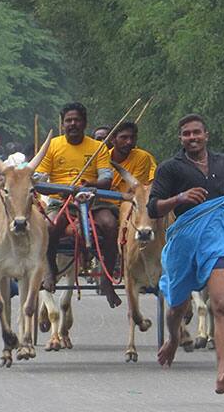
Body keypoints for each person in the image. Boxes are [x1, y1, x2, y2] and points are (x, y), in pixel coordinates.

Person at [147, 113, 224, 393]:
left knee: (220, 304)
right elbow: (153, 207)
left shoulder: (223, 163)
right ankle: (173, 337)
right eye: (186, 134)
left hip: (217, 239)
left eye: (196, 133)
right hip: (185, 239)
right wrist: (179, 198)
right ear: (181, 139)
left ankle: (221, 371)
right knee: (177, 306)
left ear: (206, 135)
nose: (192, 138)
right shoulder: (170, 168)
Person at [36, 103, 121, 307]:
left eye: (77, 120)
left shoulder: (97, 147)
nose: (73, 124)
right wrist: (65, 188)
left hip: (94, 201)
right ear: (62, 124)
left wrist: (89, 185)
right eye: (68, 120)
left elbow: (106, 179)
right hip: (62, 201)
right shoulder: (52, 146)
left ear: (84, 123)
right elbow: (39, 180)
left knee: (110, 225)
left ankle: (107, 280)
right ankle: (49, 271)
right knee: (49, 227)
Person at [109, 121, 157, 191]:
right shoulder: (103, 157)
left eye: (132, 137)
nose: (129, 142)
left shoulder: (142, 157)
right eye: (124, 137)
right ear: (112, 139)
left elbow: (134, 190)